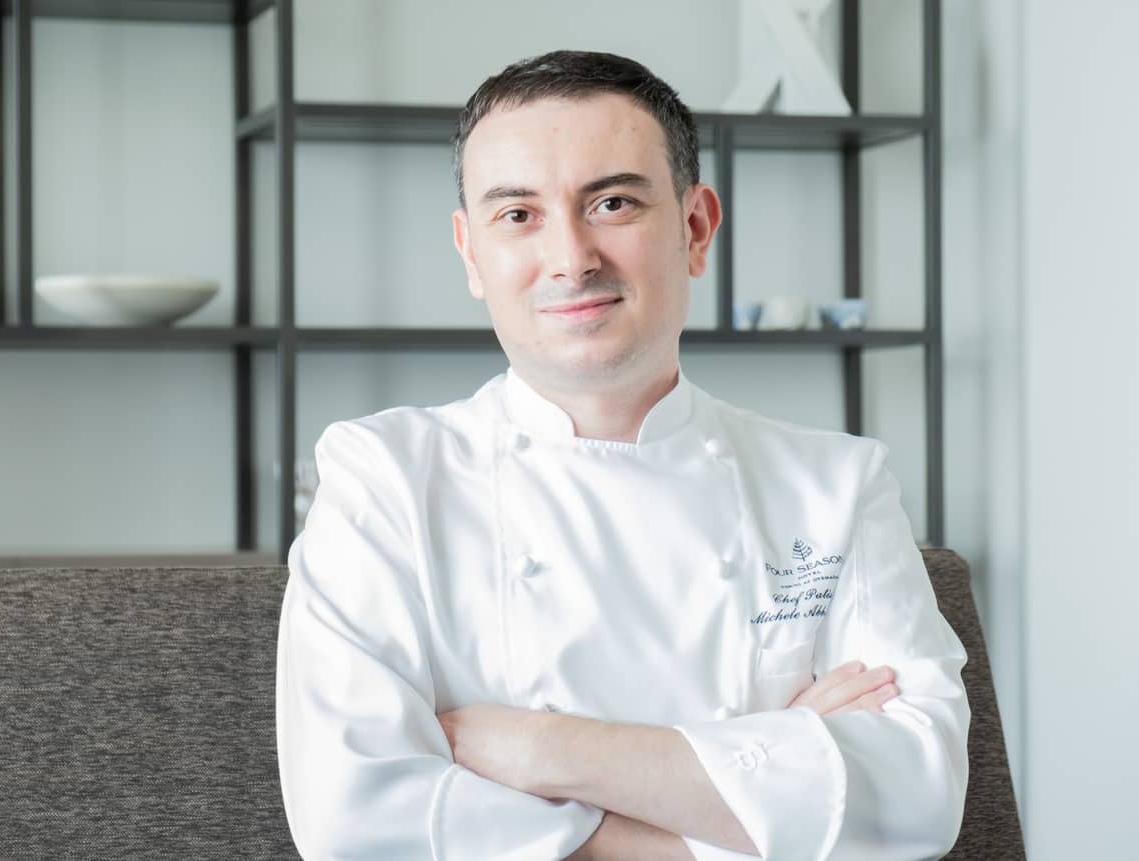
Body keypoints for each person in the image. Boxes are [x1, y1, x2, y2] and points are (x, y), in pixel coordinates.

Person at [275, 49, 969, 861]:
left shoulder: (836, 484)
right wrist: (777, 770)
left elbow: (919, 798)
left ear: (695, 226)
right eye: (518, 215)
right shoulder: (381, 478)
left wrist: (545, 750)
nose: (571, 257)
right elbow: (356, 821)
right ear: (471, 253)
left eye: (611, 202)